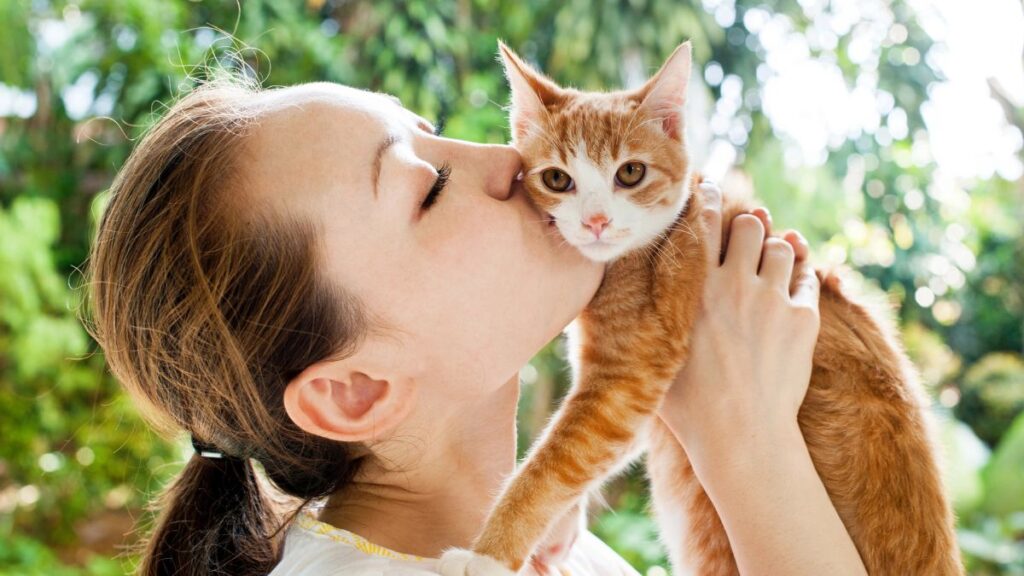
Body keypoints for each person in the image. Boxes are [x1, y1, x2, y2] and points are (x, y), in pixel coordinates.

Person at [86, 77, 867, 576]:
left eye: (434, 127)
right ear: (358, 390)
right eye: (426, 189)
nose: (504, 158)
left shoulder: (560, 555)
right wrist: (748, 445)